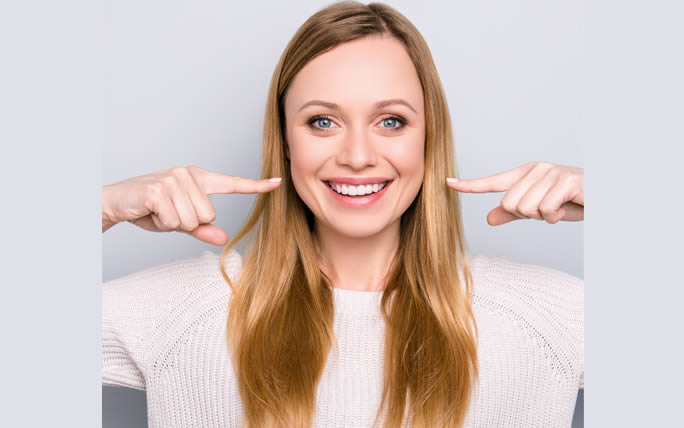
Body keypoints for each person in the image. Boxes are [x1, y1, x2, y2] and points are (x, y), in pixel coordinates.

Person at [102, 2, 584, 427]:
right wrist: (102, 206)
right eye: (322, 122)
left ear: (428, 139)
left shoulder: (546, 319)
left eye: (391, 121)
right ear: (286, 144)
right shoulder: (182, 312)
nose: (357, 155)